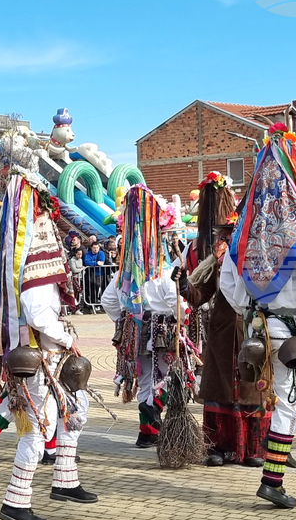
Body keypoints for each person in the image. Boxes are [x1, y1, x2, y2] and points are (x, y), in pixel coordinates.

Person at [0, 169, 94, 520]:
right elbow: (39, 313)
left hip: (46, 356)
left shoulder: (30, 259)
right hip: (40, 356)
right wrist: (66, 336)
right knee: (35, 432)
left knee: (75, 412)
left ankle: (65, 481)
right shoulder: (37, 267)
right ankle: (15, 503)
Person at [221, 123, 296, 509]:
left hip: (257, 328)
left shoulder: (244, 233)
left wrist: (250, 312)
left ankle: (274, 461)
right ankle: (273, 481)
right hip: (291, 331)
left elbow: (228, 285)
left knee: (270, 396)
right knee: (289, 403)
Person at [182, 175, 268, 467]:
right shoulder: (216, 260)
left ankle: (253, 449)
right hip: (221, 332)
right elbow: (200, 294)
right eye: (226, 232)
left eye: (234, 231)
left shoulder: (261, 257)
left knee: (252, 383)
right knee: (220, 389)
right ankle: (218, 448)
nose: (228, 237)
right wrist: (184, 285)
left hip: (253, 330)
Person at [101, 185, 180, 449]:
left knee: (146, 378)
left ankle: (146, 433)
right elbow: (175, 303)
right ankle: (151, 413)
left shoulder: (124, 272)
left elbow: (108, 300)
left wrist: (123, 319)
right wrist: (178, 318)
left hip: (134, 332)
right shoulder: (162, 271)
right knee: (169, 376)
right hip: (161, 331)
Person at [83, 242, 106, 306]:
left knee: (97, 287)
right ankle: (90, 303)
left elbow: (102, 262)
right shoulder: (88, 254)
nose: (95, 249)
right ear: (91, 248)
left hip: (99, 274)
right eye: (94, 248)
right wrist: (96, 263)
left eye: (97, 247)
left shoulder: (101, 253)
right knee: (90, 288)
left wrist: (93, 263)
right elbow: (86, 262)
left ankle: (97, 302)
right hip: (90, 274)